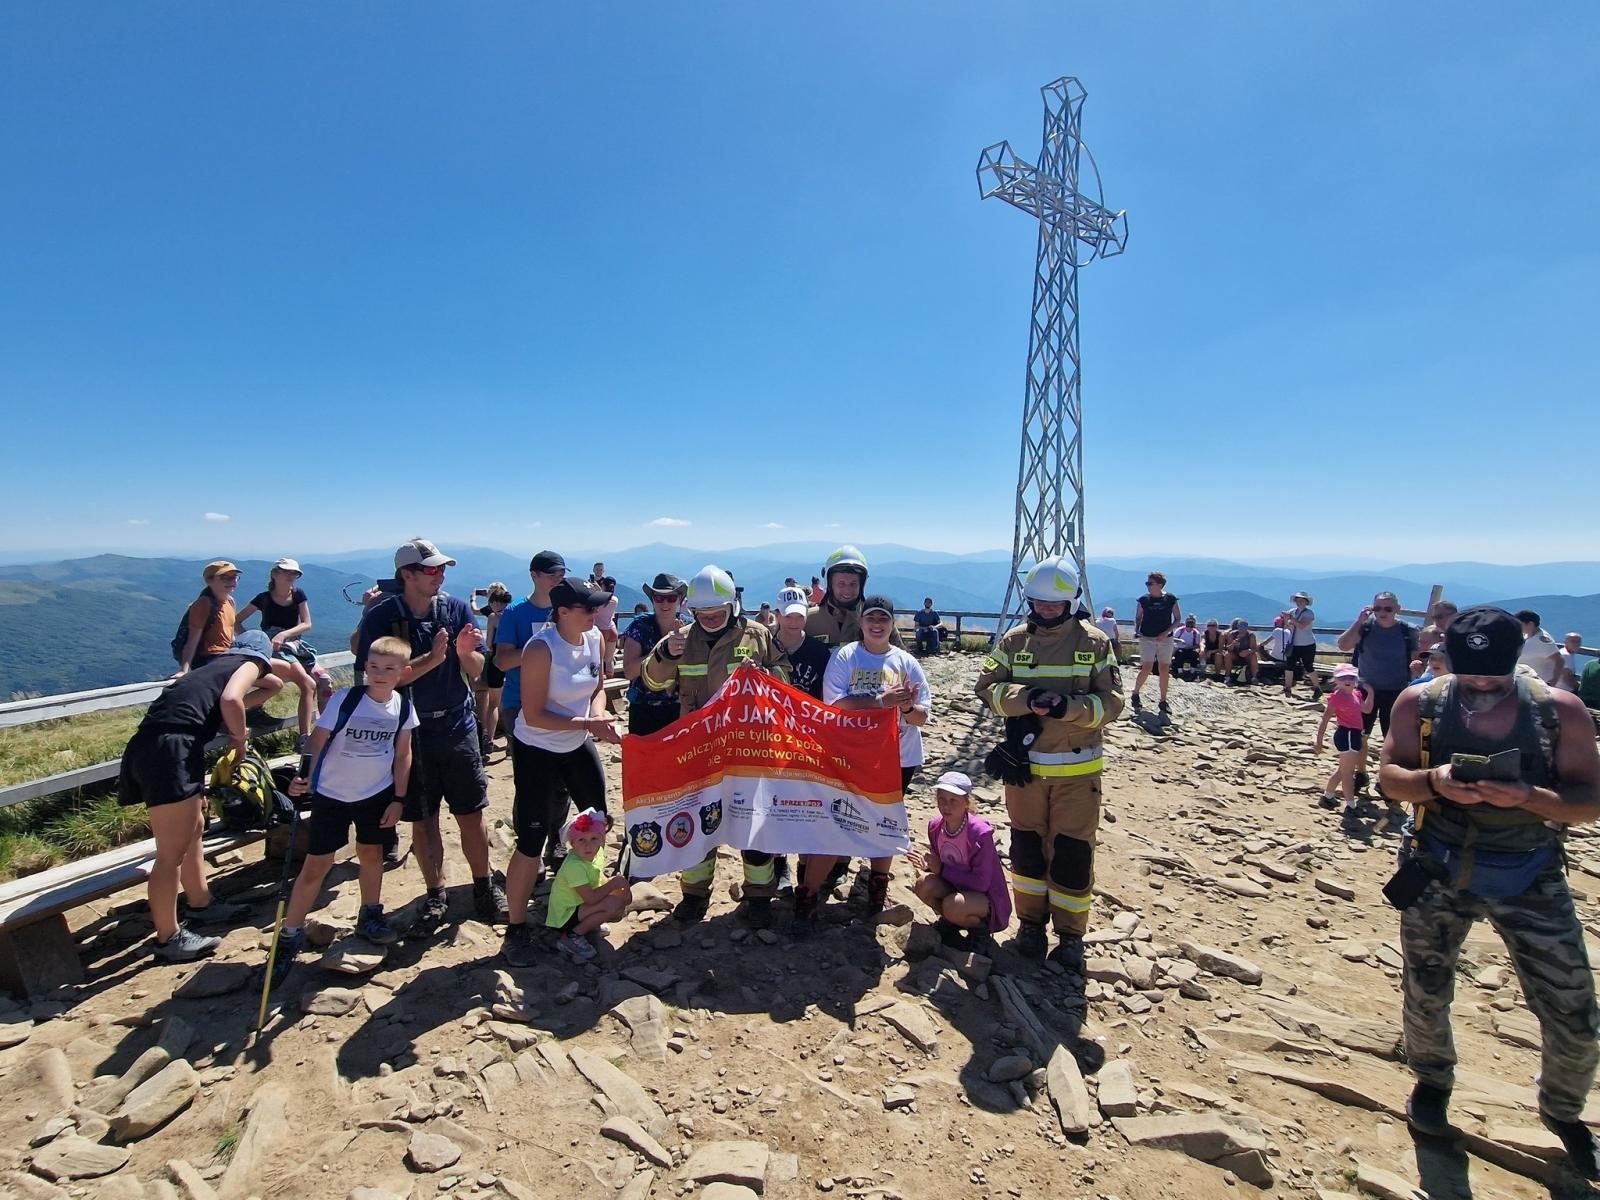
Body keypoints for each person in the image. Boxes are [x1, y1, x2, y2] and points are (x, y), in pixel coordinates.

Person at [1379, 606, 1600, 1178]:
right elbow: (1389, 780)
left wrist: (1529, 798)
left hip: (1531, 871)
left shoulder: (1559, 711)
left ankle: (1563, 1109)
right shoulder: (1420, 704)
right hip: (1436, 864)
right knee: (1426, 988)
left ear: (1516, 660)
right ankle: (1431, 1082)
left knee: (1573, 1005)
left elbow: (1589, 801)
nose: (1481, 683)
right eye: (1471, 673)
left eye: (1494, 675)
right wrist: (1434, 782)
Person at [975, 556, 1124, 969]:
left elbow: (1113, 702)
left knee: (1072, 852)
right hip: (1024, 771)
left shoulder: (1094, 643)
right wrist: (1025, 700)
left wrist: (1067, 707)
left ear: (1071, 602)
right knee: (1026, 849)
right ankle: (1030, 926)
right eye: (1039, 602)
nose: (1045, 609)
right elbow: (986, 688)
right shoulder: (1014, 642)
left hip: (1078, 772)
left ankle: (1071, 935)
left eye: (1054, 603)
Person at [355, 538, 505, 931]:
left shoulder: (454, 609)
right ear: (407, 574)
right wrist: (434, 659)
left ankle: (484, 886)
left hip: (456, 723)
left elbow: (479, 671)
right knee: (423, 818)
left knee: (471, 812)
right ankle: (436, 892)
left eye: (442, 569)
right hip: (409, 732)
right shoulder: (382, 616)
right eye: (431, 569)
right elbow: (381, 678)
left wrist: (464, 653)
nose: (440, 575)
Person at [118, 630, 293, 961]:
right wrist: (239, 739)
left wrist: (265, 679)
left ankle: (201, 903)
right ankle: (168, 939)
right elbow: (232, 699)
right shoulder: (249, 662)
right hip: (173, 749)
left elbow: (260, 688)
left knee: (194, 828)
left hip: (158, 746)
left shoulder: (213, 667)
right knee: (170, 853)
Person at [641, 565, 790, 926]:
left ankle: (759, 897)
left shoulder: (757, 635)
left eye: (716, 613)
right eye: (702, 613)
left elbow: (785, 677)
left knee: (753, 825)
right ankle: (694, 895)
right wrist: (665, 654)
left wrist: (767, 676)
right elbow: (652, 682)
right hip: (699, 751)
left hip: (749, 749)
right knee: (698, 824)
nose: (708, 619)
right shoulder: (681, 639)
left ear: (732, 606)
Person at [270, 637, 418, 985]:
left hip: (375, 794)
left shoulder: (403, 707)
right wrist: (304, 778)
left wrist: (398, 799)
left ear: (403, 672)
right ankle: (289, 934)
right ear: (365, 667)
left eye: (389, 668)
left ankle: (370, 913)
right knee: (316, 864)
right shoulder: (346, 699)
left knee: (372, 854)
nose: (379, 673)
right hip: (332, 794)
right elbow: (317, 740)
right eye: (374, 666)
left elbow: (403, 755)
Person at [499, 578, 621, 965]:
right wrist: (589, 724)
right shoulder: (540, 649)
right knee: (531, 839)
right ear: (563, 613)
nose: (596, 614)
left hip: (575, 743)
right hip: (537, 748)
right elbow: (534, 714)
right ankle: (515, 928)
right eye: (589, 608)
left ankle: (583, 905)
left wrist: (598, 716)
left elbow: (598, 687)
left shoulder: (594, 638)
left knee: (597, 823)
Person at [811, 595, 931, 931]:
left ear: (892, 624)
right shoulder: (845, 656)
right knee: (837, 821)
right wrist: (881, 700)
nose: (877, 625)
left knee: (886, 821)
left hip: (899, 756)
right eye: (871, 619)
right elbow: (835, 705)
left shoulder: (906, 662)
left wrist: (906, 707)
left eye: (883, 619)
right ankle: (812, 892)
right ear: (861, 622)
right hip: (852, 755)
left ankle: (877, 891)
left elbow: (922, 718)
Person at [495, 551, 567, 868]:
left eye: (561, 574)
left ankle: (556, 840)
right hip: (519, 704)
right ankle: (528, 846)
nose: (558, 579)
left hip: (560, 703)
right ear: (534, 575)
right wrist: (539, 648)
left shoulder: (566, 609)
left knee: (562, 779)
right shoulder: (515, 613)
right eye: (552, 574)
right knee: (529, 780)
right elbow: (501, 660)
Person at [907, 771, 1011, 951]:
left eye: (953, 800)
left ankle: (979, 930)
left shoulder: (979, 833)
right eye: (941, 799)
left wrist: (941, 870)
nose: (946, 806)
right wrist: (929, 867)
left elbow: (982, 883)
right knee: (924, 885)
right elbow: (940, 866)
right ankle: (952, 921)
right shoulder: (935, 827)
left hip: (986, 899)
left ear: (966, 803)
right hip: (956, 890)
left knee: (952, 905)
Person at [236, 558, 332, 747]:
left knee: (324, 681)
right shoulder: (263, 598)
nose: (291, 576)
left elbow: (307, 623)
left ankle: (327, 732)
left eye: (294, 573)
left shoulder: (298, 595)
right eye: (286, 572)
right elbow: (236, 621)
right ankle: (306, 737)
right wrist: (255, 641)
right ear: (274, 574)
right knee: (308, 684)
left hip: (294, 644)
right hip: (277, 648)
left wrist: (283, 634)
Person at [1337, 591, 1418, 792]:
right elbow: (1343, 645)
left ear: (1397, 609)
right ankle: (1361, 773)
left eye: (1388, 608)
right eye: (1377, 608)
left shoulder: (1408, 630)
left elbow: (1417, 657)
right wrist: (1359, 621)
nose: (1382, 612)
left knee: (1392, 739)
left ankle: (1386, 779)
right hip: (1365, 690)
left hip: (1397, 691)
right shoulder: (1365, 628)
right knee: (1359, 735)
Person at [547, 808, 631, 962]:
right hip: (565, 914)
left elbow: (598, 876)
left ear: (602, 839)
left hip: (580, 905)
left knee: (617, 903)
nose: (588, 845)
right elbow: (591, 898)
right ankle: (572, 936)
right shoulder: (574, 866)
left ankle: (590, 924)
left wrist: (617, 889)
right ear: (572, 843)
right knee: (612, 905)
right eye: (581, 840)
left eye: (594, 839)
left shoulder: (596, 854)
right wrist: (613, 885)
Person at [621, 573, 688, 737]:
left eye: (671, 598)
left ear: (679, 600)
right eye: (659, 598)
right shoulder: (639, 626)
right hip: (645, 709)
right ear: (652, 600)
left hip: (682, 709)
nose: (665, 603)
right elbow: (629, 671)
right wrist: (664, 652)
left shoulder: (690, 627)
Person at [806, 545, 902, 649]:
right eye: (841, 584)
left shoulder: (875, 621)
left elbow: (901, 655)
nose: (847, 590)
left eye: (853, 584)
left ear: (861, 585)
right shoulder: (808, 620)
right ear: (830, 584)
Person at [1314, 664, 1374, 829]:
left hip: (1354, 735)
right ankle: (1351, 806)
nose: (1347, 680)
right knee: (1348, 773)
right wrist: (1319, 741)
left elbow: (1367, 710)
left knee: (1343, 770)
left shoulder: (1356, 694)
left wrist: (1371, 693)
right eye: (1343, 678)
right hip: (1346, 734)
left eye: (1351, 677)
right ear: (1336, 680)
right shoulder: (1337, 697)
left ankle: (1328, 797)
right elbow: (1325, 719)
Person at [174, 560, 241, 676]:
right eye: (224, 577)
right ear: (209, 581)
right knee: (270, 678)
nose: (232, 581)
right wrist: (184, 670)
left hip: (227, 655)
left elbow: (229, 635)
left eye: (234, 577)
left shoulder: (230, 601)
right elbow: (192, 640)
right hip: (209, 658)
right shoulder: (203, 604)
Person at [1130, 570, 1181, 718]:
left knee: (1164, 668)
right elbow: (1138, 617)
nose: (1147, 586)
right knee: (1147, 667)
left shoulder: (1170, 599)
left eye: (1150, 583)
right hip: (1147, 637)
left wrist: (1167, 632)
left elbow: (1177, 618)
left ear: (1159, 584)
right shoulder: (1143, 600)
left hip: (1166, 638)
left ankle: (1163, 700)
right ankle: (1135, 692)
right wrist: (1137, 630)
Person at [472, 583, 513, 755]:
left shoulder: (493, 617)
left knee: (493, 705)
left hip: (496, 662)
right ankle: (512, 743)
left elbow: (488, 643)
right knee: (513, 703)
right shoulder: (513, 615)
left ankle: (488, 740)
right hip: (514, 661)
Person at [772, 586, 829, 700]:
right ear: (777, 615)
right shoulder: (766, 649)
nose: (794, 622)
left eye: (800, 616)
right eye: (788, 616)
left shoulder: (819, 652)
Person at [1282, 591, 1318, 697]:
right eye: (1298, 600)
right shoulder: (1292, 612)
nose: (1299, 602)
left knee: (1308, 666)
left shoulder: (1309, 613)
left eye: (1301, 600)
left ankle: (1317, 687)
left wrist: (1291, 619)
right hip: (1294, 643)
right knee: (1289, 665)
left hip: (1307, 644)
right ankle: (1287, 687)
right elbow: (1287, 626)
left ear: (1306, 602)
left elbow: (1301, 626)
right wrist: (1286, 620)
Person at [1517, 610, 1564, 685]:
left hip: (1538, 683)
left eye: (1520, 624)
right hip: (1525, 680)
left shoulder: (1542, 641)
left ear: (1530, 624)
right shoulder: (1526, 634)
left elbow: (1559, 660)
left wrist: (1554, 680)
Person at [593, 575, 621, 670]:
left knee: (599, 659)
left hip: (599, 631)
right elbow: (606, 598)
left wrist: (596, 590)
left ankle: (601, 679)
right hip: (611, 630)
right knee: (609, 660)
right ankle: (610, 677)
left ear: (603, 585)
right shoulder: (615, 600)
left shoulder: (597, 600)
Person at [1223, 618, 1258, 685]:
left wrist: (1247, 651)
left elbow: (1254, 649)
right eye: (1240, 626)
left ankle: (1254, 678)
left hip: (1246, 656)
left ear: (1247, 627)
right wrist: (1233, 644)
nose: (1242, 628)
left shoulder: (1251, 635)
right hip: (1235, 655)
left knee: (1254, 655)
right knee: (1227, 655)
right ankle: (1227, 677)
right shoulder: (1232, 634)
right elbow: (1228, 649)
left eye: (1244, 626)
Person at [1171, 615, 1201, 680]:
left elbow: (1197, 645)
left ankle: (1192, 672)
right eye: (1188, 625)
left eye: (1191, 626)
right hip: (1180, 648)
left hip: (1191, 649)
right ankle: (1180, 672)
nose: (1189, 628)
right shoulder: (1180, 630)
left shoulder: (1196, 633)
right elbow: (1173, 639)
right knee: (1179, 654)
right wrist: (1180, 641)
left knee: (1194, 654)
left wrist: (1190, 647)